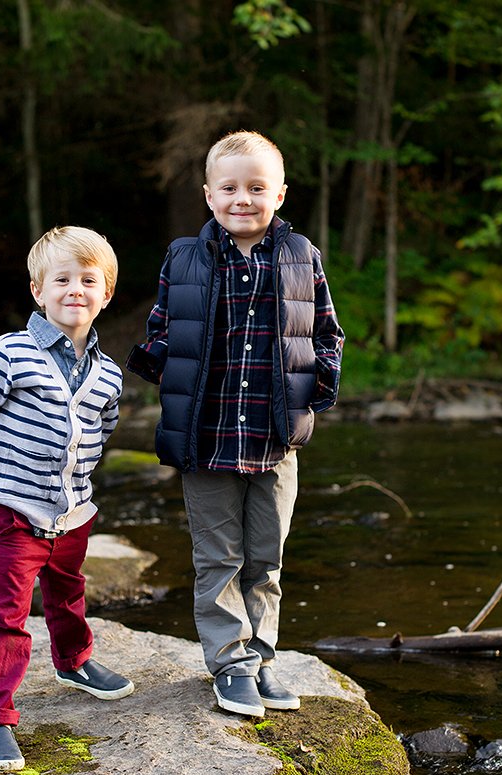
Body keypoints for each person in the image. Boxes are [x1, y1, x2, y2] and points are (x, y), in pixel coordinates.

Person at [127, 130, 344, 718]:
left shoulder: (301, 256)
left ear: (279, 194)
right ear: (207, 194)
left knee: (266, 559)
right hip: (208, 436)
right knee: (218, 556)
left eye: (256, 187)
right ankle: (230, 664)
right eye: (229, 188)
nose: (242, 199)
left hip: (274, 440)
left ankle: (264, 658)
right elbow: (163, 328)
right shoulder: (185, 256)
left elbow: (325, 333)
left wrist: (315, 392)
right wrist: (157, 359)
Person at [0, 226, 133, 771]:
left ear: (105, 294)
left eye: (87, 280)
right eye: (61, 280)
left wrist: (81, 485)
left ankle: (73, 661)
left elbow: (103, 429)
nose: (74, 289)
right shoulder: (9, 353)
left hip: (74, 508)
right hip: (15, 507)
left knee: (68, 588)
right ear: (38, 291)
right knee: (5, 613)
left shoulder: (107, 373)